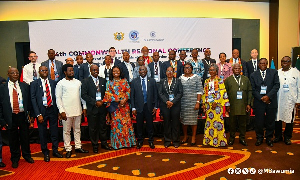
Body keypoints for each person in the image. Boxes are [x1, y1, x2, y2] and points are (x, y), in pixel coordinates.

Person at [0, 67, 34, 168]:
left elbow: (29, 102)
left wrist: (31, 115)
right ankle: (15, 158)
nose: (15, 74)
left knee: (25, 137)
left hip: (22, 115)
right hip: (10, 117)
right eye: (12, 73)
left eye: (17, 73)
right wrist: (2, 120)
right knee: (13, 139)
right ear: (8, 74)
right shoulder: (2, 88)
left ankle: (27, 155)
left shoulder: (24, 86)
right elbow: (0, 105)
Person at [30, 66, 63, 162]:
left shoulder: (53, 82)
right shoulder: (34, 83)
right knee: (42, 132)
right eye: (42, 71)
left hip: (52, 109)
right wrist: (37, 114)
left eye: (45, 70)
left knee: (54, 131)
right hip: (41, 111)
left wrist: (58, 111)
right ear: (39, 72)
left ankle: (55, 150)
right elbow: (33, 99)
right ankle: (45, 152)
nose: (44, 72)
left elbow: (57, 97)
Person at [56, 64, 89, 158]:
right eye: (70, 71)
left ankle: (78, 146)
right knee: (66, 131)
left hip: (77, 110)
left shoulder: (78, 82)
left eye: (72, 70)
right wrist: (61, 111)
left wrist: (84, 107)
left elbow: (82, 96)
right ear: (65, 72)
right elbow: (58, 98)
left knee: (77, 130)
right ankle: (68, 148)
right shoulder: (60, 83)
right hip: (66, 112)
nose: (72, 72)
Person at [103, 66, 136, 149]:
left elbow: (128, 91)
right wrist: (116, 99)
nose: (116, 72)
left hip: (125, 107)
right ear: (111, 73)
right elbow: (107, 94)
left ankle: (127, 143)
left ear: (120, 72)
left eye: (117, 71)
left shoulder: (124, 81)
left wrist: (124, 99)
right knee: (117, 125)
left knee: (126, 124)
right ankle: (117, 144)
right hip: (115, 107)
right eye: (114, 71)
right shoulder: (109, 82)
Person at [81, 65, 112, 152]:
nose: (95, 71)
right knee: (93, 128)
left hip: (102, 107)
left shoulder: (103, 80)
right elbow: (83, 95)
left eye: (97, 70)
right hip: (92, 108)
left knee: (103, 126)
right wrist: (95, 102)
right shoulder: (85, 81)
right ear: (90, 71)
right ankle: (95, 145)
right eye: (93, 70)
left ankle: (104, 143)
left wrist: (103, 101)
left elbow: (106, 92)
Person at [250, 58, 280, 147]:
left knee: (270, 121)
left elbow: (276, 85)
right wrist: (261, 98)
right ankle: (259, 138)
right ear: (258, 64)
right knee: (259, 121)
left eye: (265, 63)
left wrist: (268, 96)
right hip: (259, 102)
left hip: (271, 101)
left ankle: (269, 138)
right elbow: (253, 89)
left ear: (267, 64)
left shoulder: (273, 72)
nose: (263, 65)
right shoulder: (253, 75)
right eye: (261, 63)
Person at [202, 64, 229, 147]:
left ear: (216, 71)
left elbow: (222, 92)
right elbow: (204, 93)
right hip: (209, 106)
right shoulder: (206, 81)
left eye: (213, 70)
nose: (212, 71)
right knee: (209, 123)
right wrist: (203, 103)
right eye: (210, 70)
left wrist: (216, 102)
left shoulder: (220, 80)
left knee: (217, 122)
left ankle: (219, 141)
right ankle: (209, 141)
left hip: (217, 105)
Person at [274, 56, 300, 145]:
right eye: (283, 61)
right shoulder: (277, 72)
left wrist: (298, 100)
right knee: (277, 118)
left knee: (290, 119)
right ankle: (278, 136)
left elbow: (299, 87)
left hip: (291, 100)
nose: (285, 63)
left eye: (287, 61)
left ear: (290, 62)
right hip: (279, 99)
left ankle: (288, 137)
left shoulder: (296, 72)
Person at [225, 63, 252, 146]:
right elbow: (225, 93)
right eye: (235, 69)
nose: (237, 70)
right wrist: (227, 105)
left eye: (238, 69)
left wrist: (248, 103)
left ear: (241, 70)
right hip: (232, 105)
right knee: (232, 124)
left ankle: (242, 138)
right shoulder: (228, 80)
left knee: (242, 124)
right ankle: (231, 138)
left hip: (243, 105)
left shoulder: (245, 79)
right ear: (232, 70)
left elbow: (250, 91)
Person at [131, 65, 157, 149]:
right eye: (141, 70)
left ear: (146, 71)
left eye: (144, 70)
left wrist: (155, 107)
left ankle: (151, 141)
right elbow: (132, 96)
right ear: (139, 72)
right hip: (139, 107)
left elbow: (155, 95)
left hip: (149, 106)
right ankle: (140, 141)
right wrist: (133, 108)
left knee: (150, 125)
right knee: (139, 125)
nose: (142, 71)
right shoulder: (134, 81)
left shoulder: (152, 81)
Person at [158, 66, 183, 148]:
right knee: (167, 123)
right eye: (168, 71)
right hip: (165, 106)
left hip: (175, 105)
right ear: (165, 72)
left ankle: (176, 141)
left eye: (171, 71)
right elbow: (160, 93)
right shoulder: (162, 81)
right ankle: (167, 141)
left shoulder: (178, 81)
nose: (169, 72)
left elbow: (180, 93)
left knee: (176, 123)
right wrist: (167, 101)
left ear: (174, 72)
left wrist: (172, 102)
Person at [179, 63, 203, 145]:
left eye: (189, 67)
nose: (187, 69)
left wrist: (198, 102)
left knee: (193, 121)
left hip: (193, 102)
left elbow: (199, 91)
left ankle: (193, 136)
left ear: (192, 69)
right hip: (183, 102)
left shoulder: (197, 78)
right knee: (184, 120)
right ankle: (185, 136)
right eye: (185, 67)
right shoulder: (180, 78)